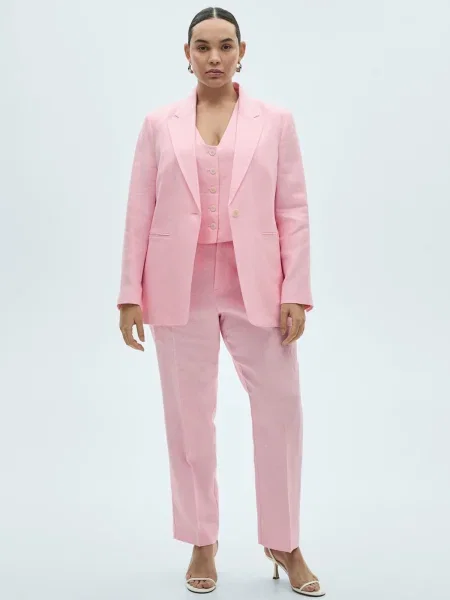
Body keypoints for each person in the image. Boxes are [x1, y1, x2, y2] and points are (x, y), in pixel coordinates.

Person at [116, 6, 324, 597]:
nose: (214, 57)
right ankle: (201, 539)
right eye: (202, 47)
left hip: (256, 281)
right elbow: (139, 209)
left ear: (241, 52)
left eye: (225, 46)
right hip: (177, 283)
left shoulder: (274, 121)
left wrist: (296, 290)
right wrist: (130, 294)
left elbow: (293, 209)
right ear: (186, 54)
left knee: (281, 409)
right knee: (189, 416)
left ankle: (284, 541)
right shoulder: (159, 124)